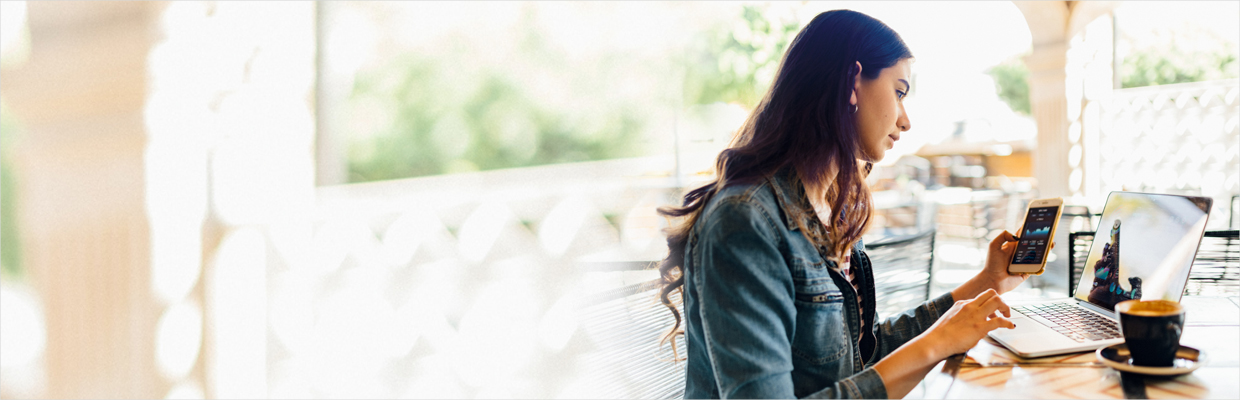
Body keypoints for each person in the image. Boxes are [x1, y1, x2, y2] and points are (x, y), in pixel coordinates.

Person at [656, 10, 1038, 399]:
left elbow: (862, 356)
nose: (906, 121)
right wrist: (936, 344)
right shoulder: (744, 220)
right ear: (851, 82)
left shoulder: (831, 208)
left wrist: (988, 282)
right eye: (899, 92)